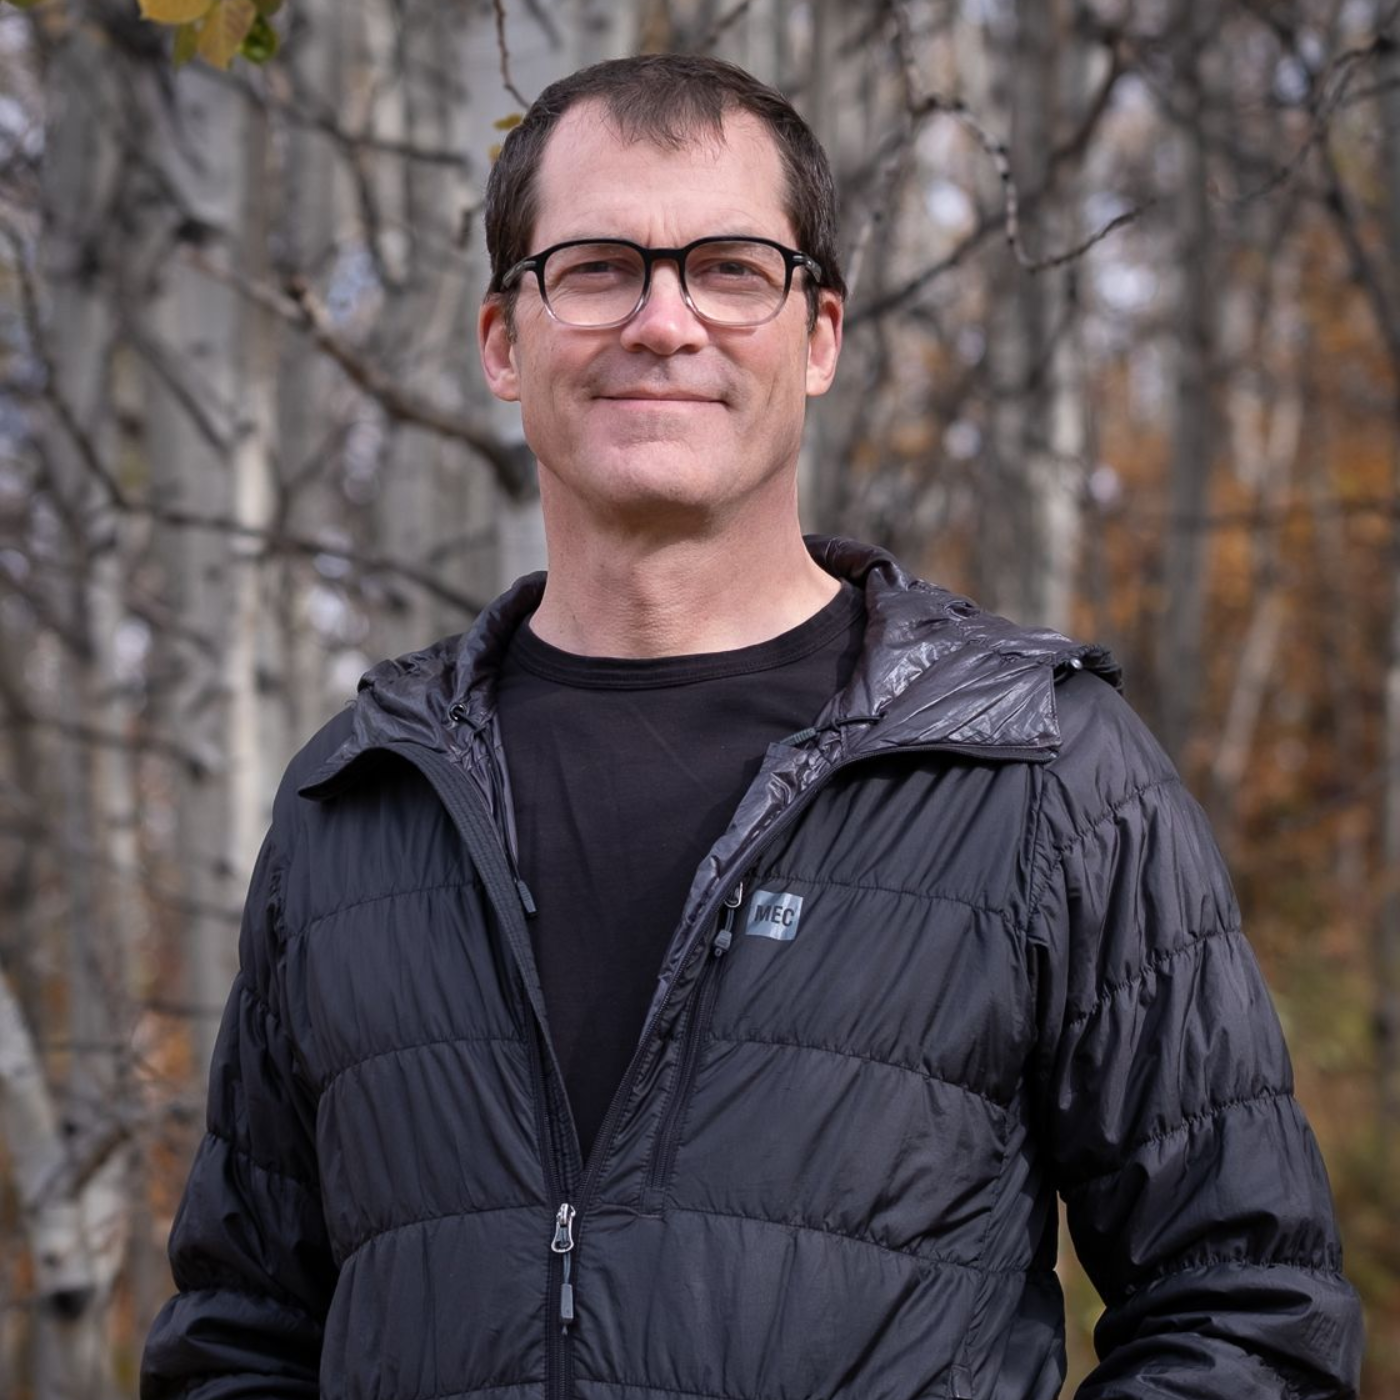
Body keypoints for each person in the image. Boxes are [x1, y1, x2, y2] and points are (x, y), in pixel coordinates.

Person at [142, 53, 1364, 1400]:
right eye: (597, 267)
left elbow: (1247, 1314)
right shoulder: (358, 804)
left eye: (730, 267)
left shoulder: (1040, 770)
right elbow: (239, 1338)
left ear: (819, 334)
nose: (663, 322)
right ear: (506, 339)